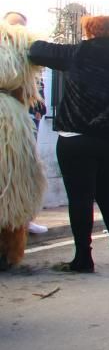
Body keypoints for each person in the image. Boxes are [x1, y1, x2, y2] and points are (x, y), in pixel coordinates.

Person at [28, 16, 109, 272]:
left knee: (80, 197)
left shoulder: (78, 52)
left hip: (77, 137)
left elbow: (35, 50)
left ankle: (83, 258)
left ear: (89, 31)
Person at [4, 12, 48, 235]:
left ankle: (22, 220)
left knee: (21, 172)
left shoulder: (28, 50)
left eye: (21, 25)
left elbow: (36, 86)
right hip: (10, 118)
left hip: (22, 119)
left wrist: (39, 110)